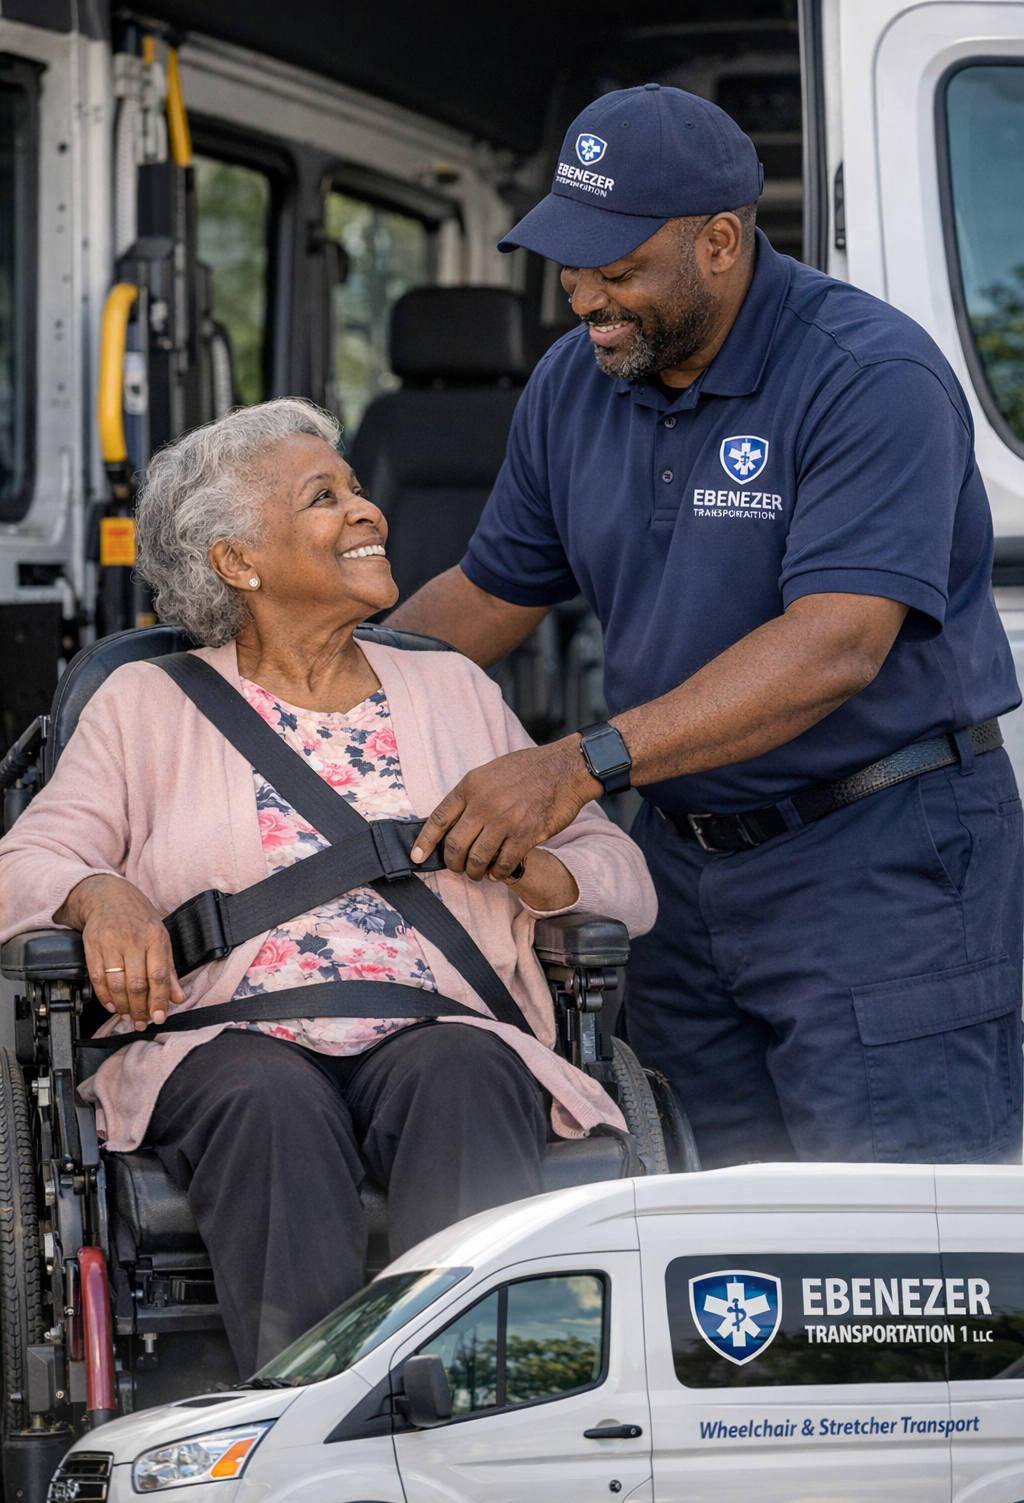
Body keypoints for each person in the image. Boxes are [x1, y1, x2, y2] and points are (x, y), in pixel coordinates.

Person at [392, 84, 1024, 1170]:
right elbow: (491, 595)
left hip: (879, 867)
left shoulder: (867, 376)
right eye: (568, 261)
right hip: (680, 879)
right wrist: (278, 693)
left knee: (894, 1266)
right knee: (708, 1248)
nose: (583, 295)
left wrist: (577, 767)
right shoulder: (571, 383)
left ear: (721, 242)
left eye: (618, 267)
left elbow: (835, 642)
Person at [0, 398, 656, 1378]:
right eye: (325, 497)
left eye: (357, 491)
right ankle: (307, 1426)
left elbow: (620, 879)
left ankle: (476, 1403)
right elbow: (26, 861)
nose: (368, 514)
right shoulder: (146, 703)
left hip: (443, 1025)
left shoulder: (454, 692)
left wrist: (532, 862)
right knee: (266, 1099)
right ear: (238, 560)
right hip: (221, 1038)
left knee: (465, 1076)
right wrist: (104, 896)